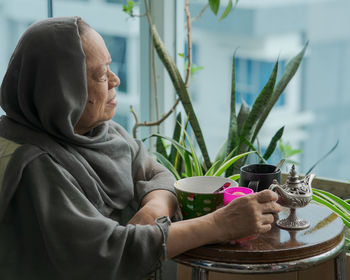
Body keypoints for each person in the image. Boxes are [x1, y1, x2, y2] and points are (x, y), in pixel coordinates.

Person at [0, 17, 281, 280]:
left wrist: (154, 208)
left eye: (110, 66)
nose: (115, 80)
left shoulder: (101, 133)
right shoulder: (33, 164)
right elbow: (106, 252)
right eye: (100, 75)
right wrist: (220, 225)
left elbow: (158, 173)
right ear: (60, 90)